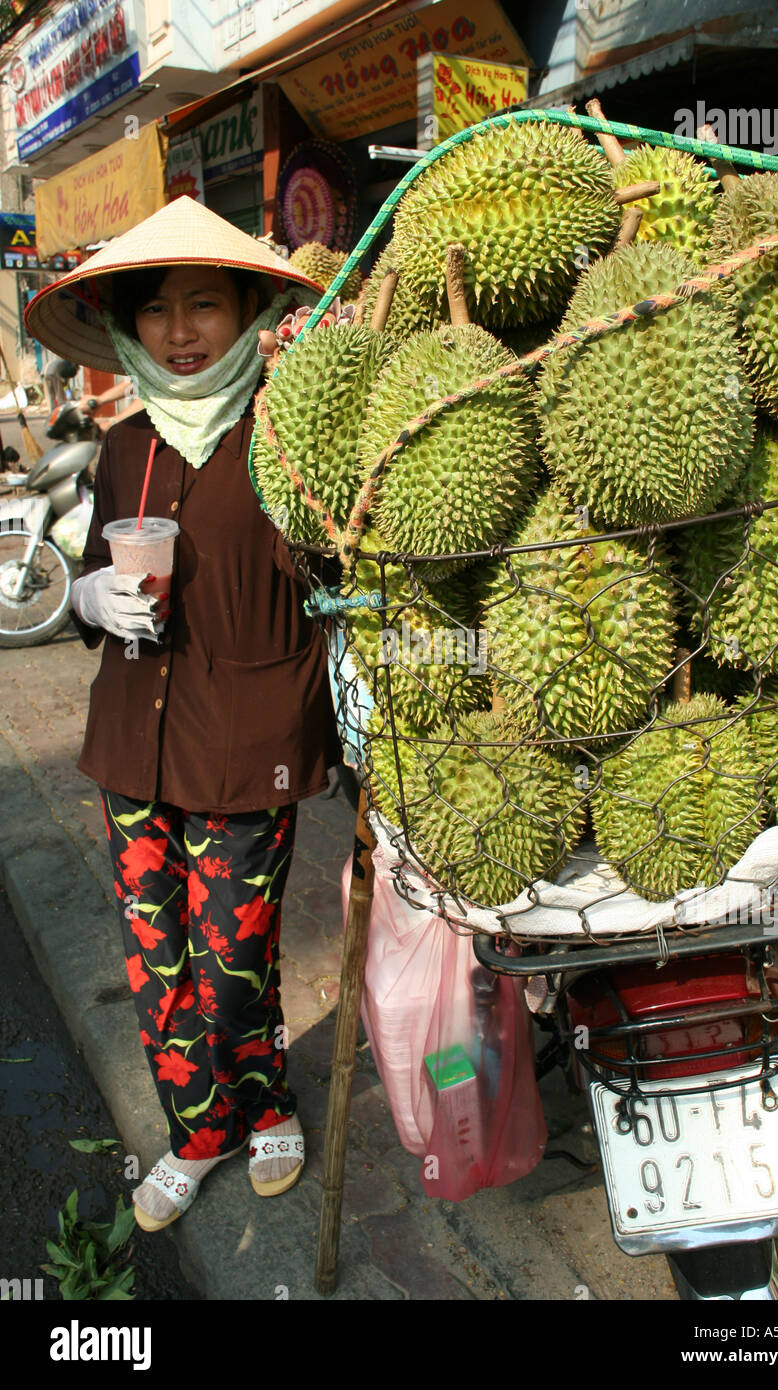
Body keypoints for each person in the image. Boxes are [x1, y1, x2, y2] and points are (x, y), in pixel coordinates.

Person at [24, 197, 340, 1232]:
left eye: (204, 304)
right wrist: (82, 598)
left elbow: (343, 585)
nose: (181, 330)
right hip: (133, 746)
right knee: (158, 962)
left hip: (251, 748)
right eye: (156, 311)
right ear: (130, 328)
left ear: (247, 308)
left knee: (233, 962)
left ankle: (267, 1099)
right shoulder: (125, 447)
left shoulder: (293, 437)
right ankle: (197, 1129)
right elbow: (89, 563)